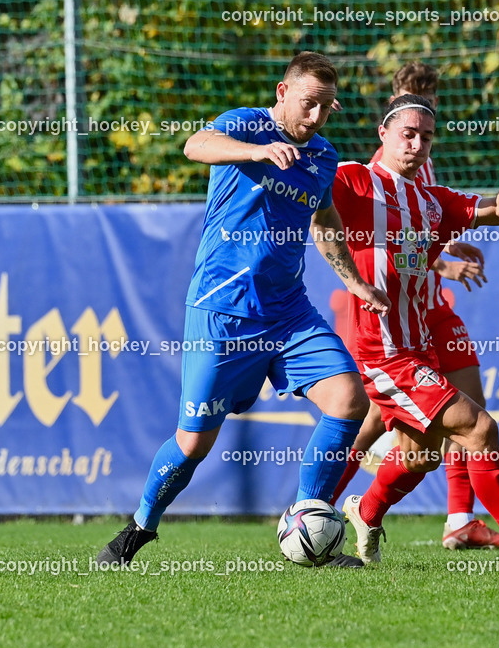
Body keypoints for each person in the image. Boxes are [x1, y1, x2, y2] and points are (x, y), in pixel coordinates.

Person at [95, 52, 389, 569]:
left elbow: (323, 220)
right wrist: (258, 151)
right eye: (309, 103)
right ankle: (139, 528)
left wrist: (355, 282)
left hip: (289, 312)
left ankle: (310, 523)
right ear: (282, 92)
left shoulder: (323, 156)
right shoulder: (246, 125)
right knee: (193, 444)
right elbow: (195, 145)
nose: (316, 116)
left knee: (349, 400)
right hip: (223, 310)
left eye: (326, 107)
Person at [332, 93, 499, 568]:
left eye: (426, 137)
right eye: (407, 133)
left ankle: (365, 512)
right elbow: (306, 194)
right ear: (383, 134)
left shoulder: (433, 201)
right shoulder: (354, 180)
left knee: (421, 457)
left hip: (419, 345)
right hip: (383, 350)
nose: (416, 144)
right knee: (479, 428)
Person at [329, 62, 499, 550]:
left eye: (431, 98)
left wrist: (445, 248)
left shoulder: (423, 157)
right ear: (393, 109)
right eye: (414, 97)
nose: (423, 110)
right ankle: (316, 505)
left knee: (466, 413)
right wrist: (444, 263)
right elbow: (383, 240)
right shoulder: (380, 166)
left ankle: (458, 518)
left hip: (431, 311)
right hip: (393, 316)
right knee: (372, 422)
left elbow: (422, 224)